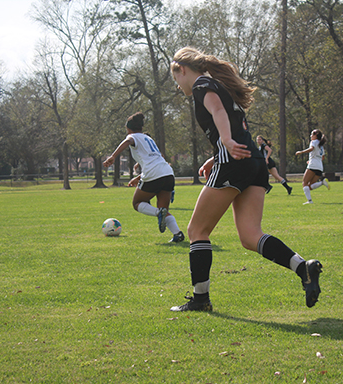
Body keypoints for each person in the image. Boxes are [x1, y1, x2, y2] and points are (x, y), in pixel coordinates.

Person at [170, 46, 322, 311]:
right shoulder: (219, 85)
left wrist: (225, 143)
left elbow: (217, 112)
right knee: (250, 236)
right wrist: (219, 151)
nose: (178, 85)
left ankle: (201, 300)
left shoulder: (201, 84)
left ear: (182, 70)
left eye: (176, 79)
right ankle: (303, 268)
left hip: (234, 164)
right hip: (254, 164)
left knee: (197, 231)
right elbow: (232, 123)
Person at [103, 112, 185, 243]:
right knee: (164, 210)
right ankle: (178, 234)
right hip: (168, 173)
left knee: (137, 203)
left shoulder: (132, 136)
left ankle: (159, 214)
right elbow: (159, 159)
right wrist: (139, 177)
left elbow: (128, 141)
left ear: (128, 128)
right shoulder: (148, 139)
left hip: (154, 174)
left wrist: (113, 156)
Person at [295, 129, 330, 205]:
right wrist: (313, 159)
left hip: (313, 165)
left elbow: (311, 149)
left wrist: (301, 152)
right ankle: (322, 183)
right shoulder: (321, 146)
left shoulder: (314, 142)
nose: (310, 136)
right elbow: (322, 158)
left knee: (304, 183)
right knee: (309, 186)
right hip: (320, 166)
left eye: (312, 134)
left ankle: (310, 201)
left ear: (316, 135)